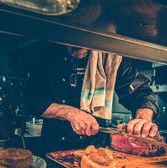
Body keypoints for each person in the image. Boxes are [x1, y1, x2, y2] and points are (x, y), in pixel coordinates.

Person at [25, 43, 159, 154]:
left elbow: (141, 92)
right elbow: (32, 100)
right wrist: (70, 113)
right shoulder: (47, 54)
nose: (79, 45)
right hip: (55, 149)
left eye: (84, 40)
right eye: (72, 39)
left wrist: (143, 119)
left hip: (98, 148)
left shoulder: (112, 57)